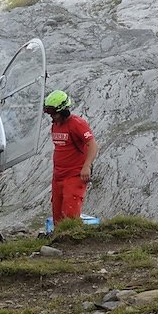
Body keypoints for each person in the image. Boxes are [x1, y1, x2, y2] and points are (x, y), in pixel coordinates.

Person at [43, 89, 98, 222]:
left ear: (63, 110)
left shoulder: (77, 124)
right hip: (58, 176)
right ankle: (58, 241)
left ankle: (73, 240)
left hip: (74, 175)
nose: (52, 116)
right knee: (57, 215)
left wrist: (86, 167)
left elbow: (93, 145)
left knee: (70, 214)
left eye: (54, 112)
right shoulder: (55, 125)